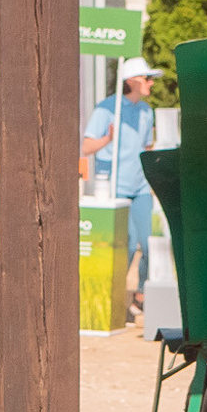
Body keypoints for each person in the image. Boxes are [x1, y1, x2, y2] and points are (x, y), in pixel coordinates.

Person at [80, 56, 159, 324]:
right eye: (147, 78)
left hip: (140, 188)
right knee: (125, 245)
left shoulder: (147, 112)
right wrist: (108, 139)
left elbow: (147, 148)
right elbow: (86, 147)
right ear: (131, 81)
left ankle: (139, 297)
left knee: (149, 246)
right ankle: (113, 301)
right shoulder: (106, 109)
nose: (151, 83)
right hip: (114, 188)